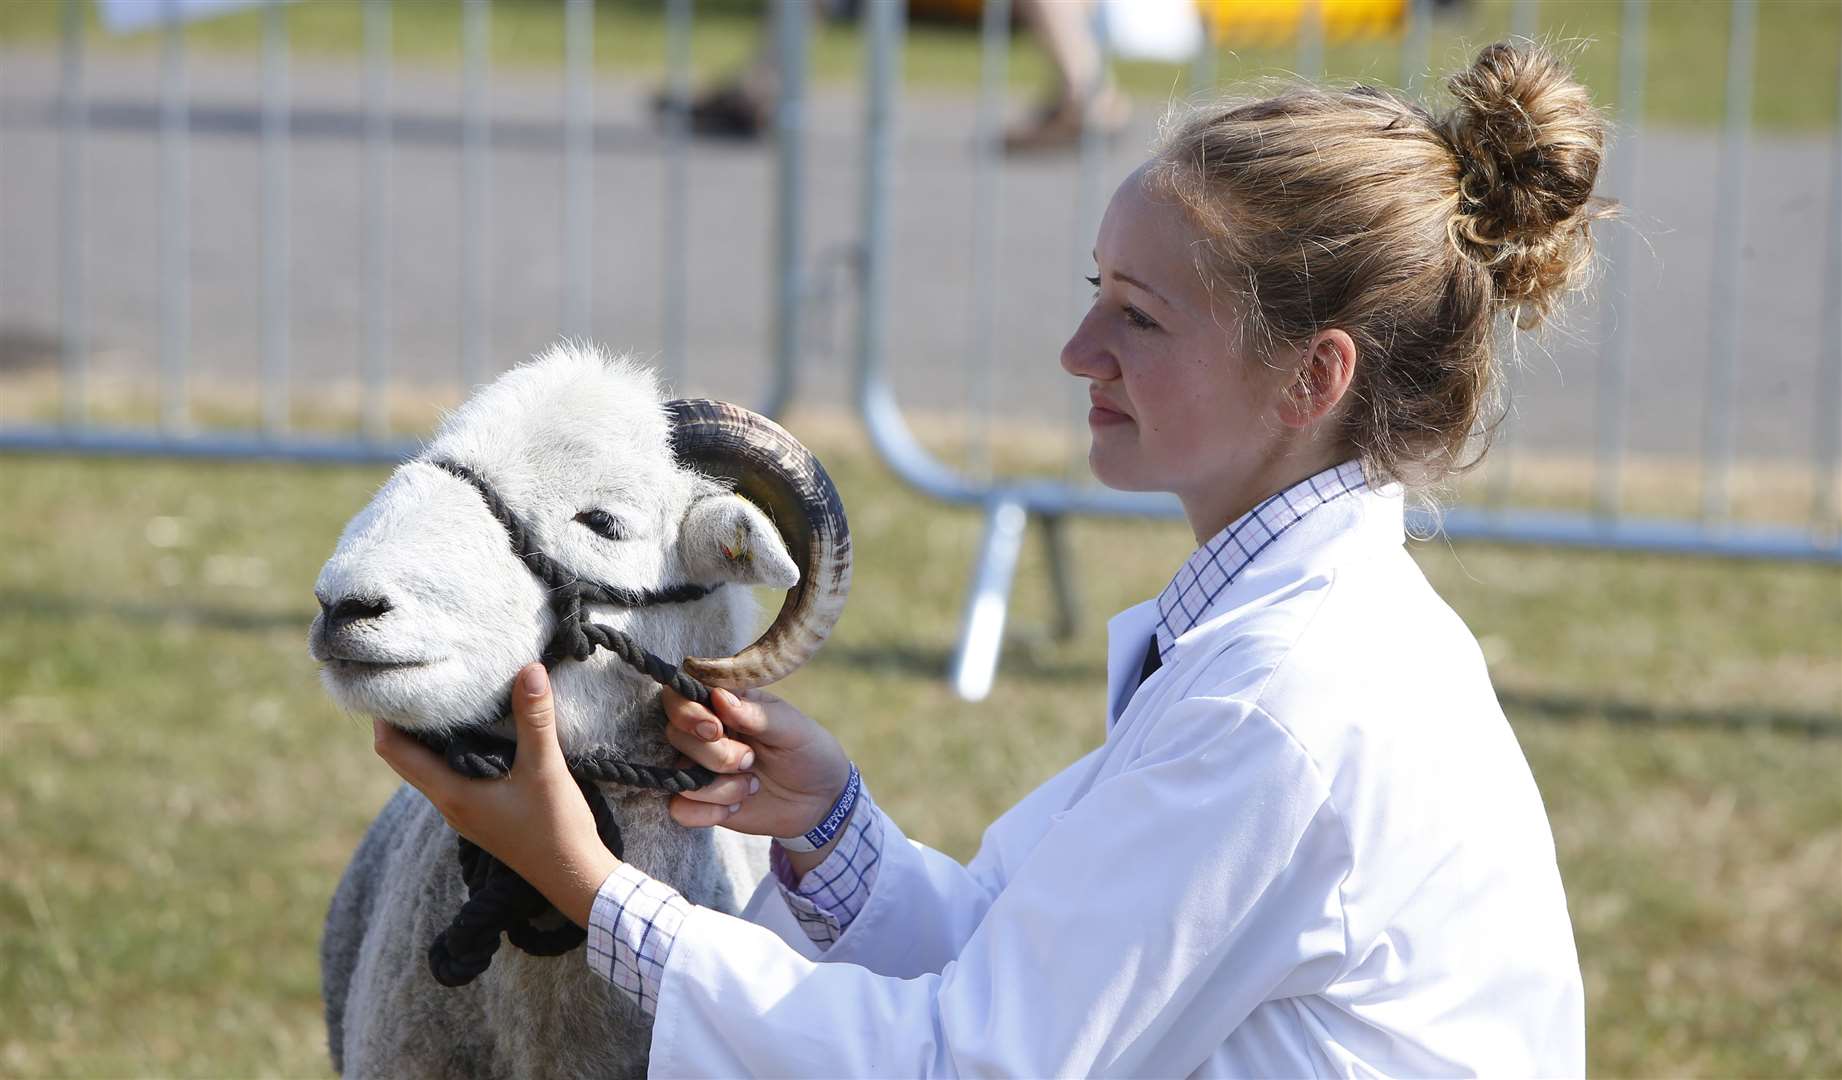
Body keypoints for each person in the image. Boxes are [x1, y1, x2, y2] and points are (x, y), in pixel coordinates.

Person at [377, 40, 1608, 1075]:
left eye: (1140, 314)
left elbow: (967, 1061)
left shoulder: (1285, 704)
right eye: (1095, 291)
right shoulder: (1306, 638)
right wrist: (830, 824)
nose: (1079, 349)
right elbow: (1025, 964)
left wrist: (590, 886)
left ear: (1312, 375)